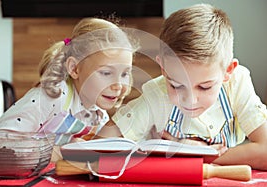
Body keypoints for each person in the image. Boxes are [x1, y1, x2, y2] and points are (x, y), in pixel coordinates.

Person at [98, 4, 267, 170]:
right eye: (176, 86)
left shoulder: (236, 84)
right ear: (163, 68)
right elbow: (103, 145)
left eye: (205, 87)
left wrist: (200, 155)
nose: (190, 100)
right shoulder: (157, 95)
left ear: (228, 71)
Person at [0, 17, 138, 160]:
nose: (118, 85)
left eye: (125, 74)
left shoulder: (99, 115)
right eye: (106, 73)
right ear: (74, 69)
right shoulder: (52, 97)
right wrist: (61, 152)